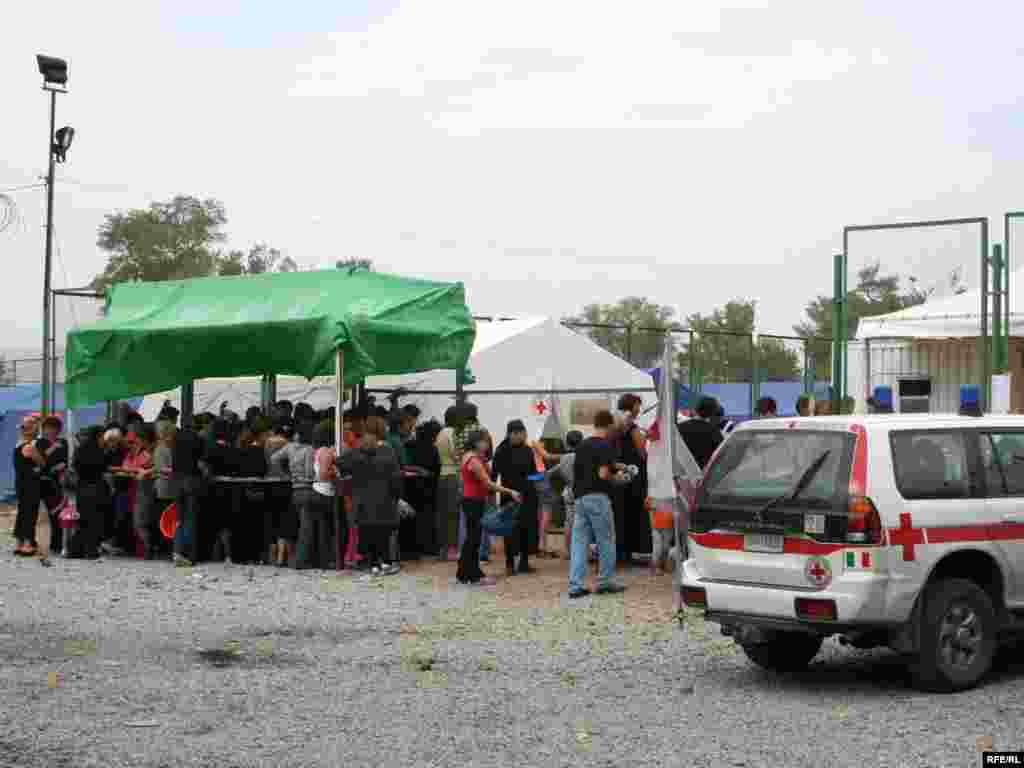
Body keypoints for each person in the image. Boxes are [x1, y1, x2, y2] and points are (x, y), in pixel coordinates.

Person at [568, 410, 627, 599]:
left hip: (579, 499)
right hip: (598, 498)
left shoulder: (583, 445)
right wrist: (617, 478)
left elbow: (591, 466)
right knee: (606, 539)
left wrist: (618, 466)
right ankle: (605, 581)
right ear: (609, 426)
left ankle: (575, 585)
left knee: (579, 543)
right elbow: (602, 474)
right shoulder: (604, 445)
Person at [336, 415, 403, 576]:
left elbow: (340, 462)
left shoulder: (360, 450)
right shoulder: (388, 450)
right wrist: (397, 495)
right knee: (384, 532)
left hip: (363, 498)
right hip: (384, 497)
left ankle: (373, 564)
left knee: (369, 532)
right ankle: (386, 563)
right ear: (382, 430)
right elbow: (395, 477)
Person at [457, 430, 521, 585]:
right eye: (485, 441)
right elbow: (488, 483)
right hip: (473, 501)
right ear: (477, 442)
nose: (487, 445)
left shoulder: (471, 457)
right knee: (474, 538)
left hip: (471, 499)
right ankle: (472, 574)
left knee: (472, 538)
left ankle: (465, 572)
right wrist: (509, 491)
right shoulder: (473, 460)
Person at [492, 420, 538, 577]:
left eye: (524, 433)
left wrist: (541, 476)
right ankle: (509, 564)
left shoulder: (528, 450)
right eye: (521, 433)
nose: (524, 436)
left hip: (527, 495)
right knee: (509, 530)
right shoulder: (501, 451)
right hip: (508, 495)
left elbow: (532, 472)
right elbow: (493, 475)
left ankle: (524, 562)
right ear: (512, 434)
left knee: (527, 528)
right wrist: (490, 491)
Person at [272, 420, 317, 569]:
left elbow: (274, 458)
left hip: (294, 489)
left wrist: (285, 475)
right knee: (306, 529)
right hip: (306, 488)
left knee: (297, 527)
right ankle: (300, 560)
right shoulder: (309, 450)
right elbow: (310, 472)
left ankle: (293, 558)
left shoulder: (290, 447)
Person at [295, 420, 337, 570]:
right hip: (324, 493)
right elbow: (324, 475)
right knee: (324, 529)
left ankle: (303, 560)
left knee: (310, 529)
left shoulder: (317, 451)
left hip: (315, 491)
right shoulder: (326, 452)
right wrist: (336, 472)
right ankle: (323, 560)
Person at [67, 426, 111, 559]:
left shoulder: (80, 450)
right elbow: (103, 467)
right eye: (103, 436)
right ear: (98, 436)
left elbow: (76, 467)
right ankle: (90, 551)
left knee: (83, 521)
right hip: (95, 488)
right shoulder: (98, 451)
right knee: (94, 521)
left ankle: (75, 550)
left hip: (82, 488)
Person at [616, 393, 649, 565]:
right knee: (634, 512)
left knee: (620, 513)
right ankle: (631, 549)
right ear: (631, 406)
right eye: (638, 404)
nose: (639, 408)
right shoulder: (632, 427)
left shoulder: (616, 424)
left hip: (618, 473)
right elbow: (642, 452)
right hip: (634, 475)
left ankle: (621, 550)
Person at [405, 419, 442, 559]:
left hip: (410, 486)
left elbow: (403, 464)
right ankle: (428, 547)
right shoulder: (432, 449)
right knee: (427, 517)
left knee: (411, 517)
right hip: (428, 487)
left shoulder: (409, 445)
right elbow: (436, 468)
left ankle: (411, 548)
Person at [171, 417, 205, 567]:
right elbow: (202, 460)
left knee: (179, 518)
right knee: (191, 518)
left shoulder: (176, 438)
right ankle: (188, 555)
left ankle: (177, 551)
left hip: (176, 479)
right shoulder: (197, 438)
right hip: (191, 479)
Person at [546, 430, 583, 558]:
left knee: (569, 523)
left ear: (567, 444)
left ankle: (568, 551)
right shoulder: (584, 456)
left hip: (568, 493)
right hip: (582, 493)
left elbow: (550, 473)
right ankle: (581, 551)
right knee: (583, 524)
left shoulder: (564, 459)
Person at [12, 416, 45, 557]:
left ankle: (19, 543)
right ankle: (27, 543)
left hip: (20, 482)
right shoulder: (29, 446)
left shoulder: (18, 444)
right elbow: (42, 463)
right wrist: (39, 466)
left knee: (22, 512)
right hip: (31, 483)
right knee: (30, 513)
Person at [38, 416, 69, 557]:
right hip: (45, 481)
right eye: (49, 428)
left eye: (55, 429)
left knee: (60, 512)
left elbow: (67, 457)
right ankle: (49, 543)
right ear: (44, 429)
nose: (52, 431)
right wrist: (52, 449)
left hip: (61, 481)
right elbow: (41, 460)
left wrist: (63, 465)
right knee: (49, 513)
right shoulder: (39, 443)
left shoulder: (63, 442)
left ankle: (58, 543)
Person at [434, 407, 461, 561]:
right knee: (453, 513)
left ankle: (443, 548)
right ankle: (452, 548)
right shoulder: (453, 433)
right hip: (453, 474)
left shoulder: (440, 434)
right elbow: (455, 454)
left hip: (442, 474)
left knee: (443, 513)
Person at [129, 424, 159, 559]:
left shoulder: (153, 452)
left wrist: (144, 471)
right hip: (145, 490)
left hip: (147, 490)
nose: (137, 442)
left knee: (140, 522)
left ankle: (149, 548)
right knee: (143, 522)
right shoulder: (147, 451)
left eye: (139, 439)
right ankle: (149, 547)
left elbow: (158, 468)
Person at [677, 396, 724, 470]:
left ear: (696, 409)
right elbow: (720, 457)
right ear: (713, 413)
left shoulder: (679, 428)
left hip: (681, 472)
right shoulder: (714, 432)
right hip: (703, 476)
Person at [153, 420, 177, 559]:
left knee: (167, 517)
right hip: (165, 487)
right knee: (165, 518)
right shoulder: (162, 449)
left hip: (168, 487)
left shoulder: (165, 447)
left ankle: (168, 547)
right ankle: (166, 548)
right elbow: (162, 468)